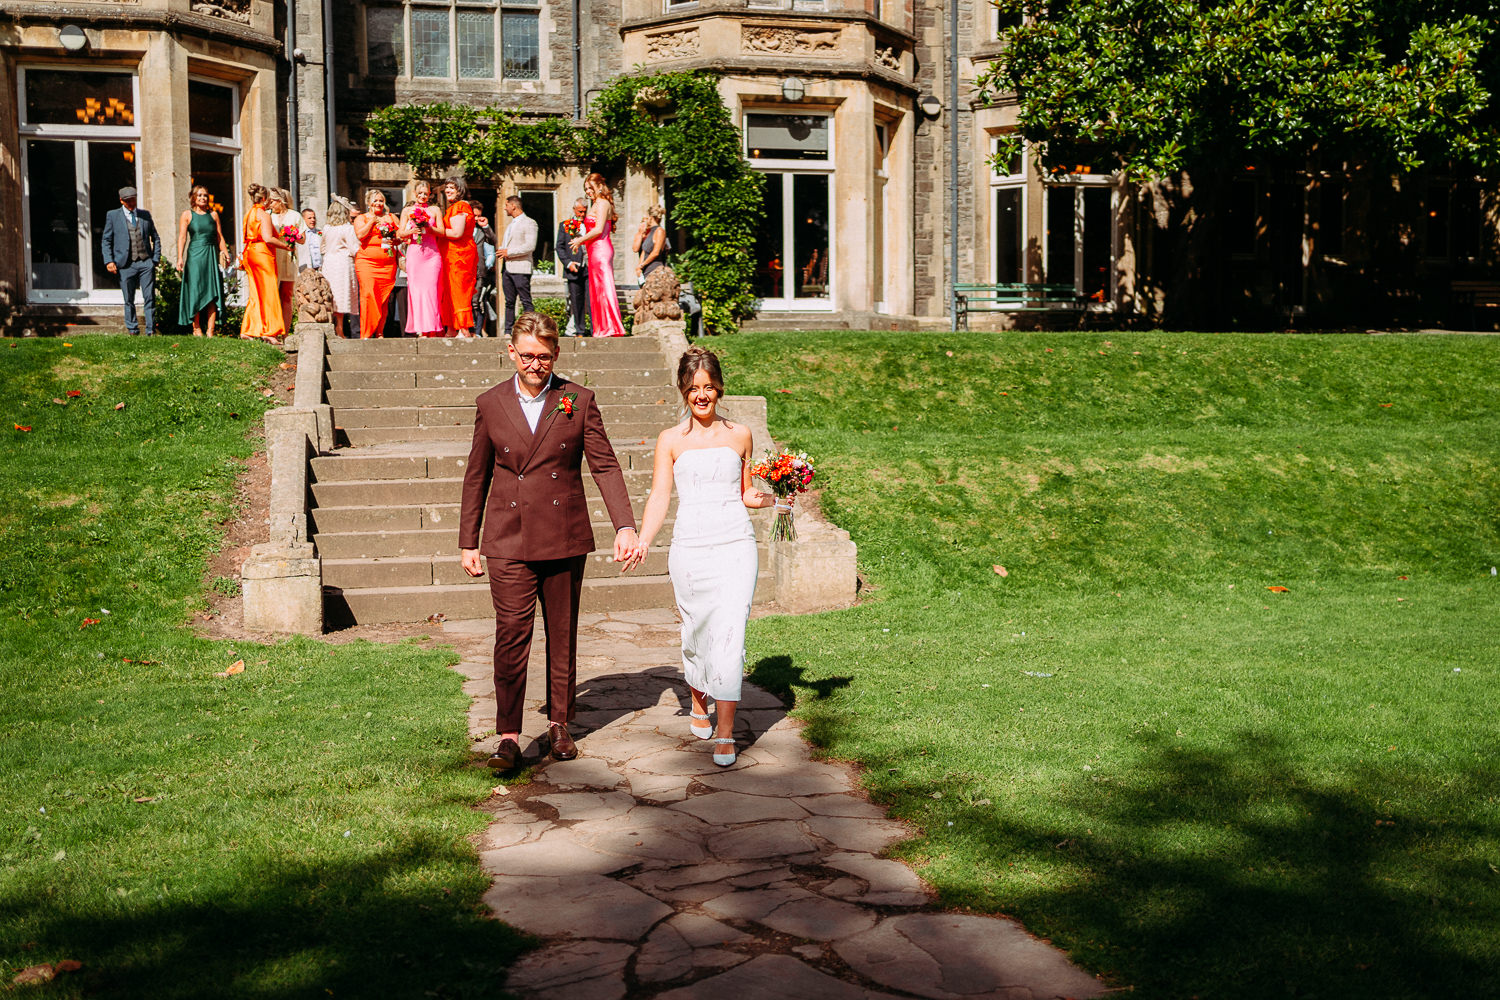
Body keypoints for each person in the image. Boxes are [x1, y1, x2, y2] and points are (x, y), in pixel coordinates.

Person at [459, 312, 640, 769]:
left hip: (563, 537)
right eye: (527, 356)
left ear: (557, 353)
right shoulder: (490, 403)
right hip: (507, 540)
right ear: (511, 352)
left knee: (562, 634)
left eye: (544, 356)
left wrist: (624, 525)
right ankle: (508, 735)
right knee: (511, 636)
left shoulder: (578, 399)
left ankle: (560, 723)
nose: (535, 364)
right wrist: (469, 540)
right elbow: (475, 476)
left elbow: (604, 465)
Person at [623, 348, 782, 766]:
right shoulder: (670, 440)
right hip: (690, 548)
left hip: (735, 546)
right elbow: (660, 496)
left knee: (730, 635)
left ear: (720, 388)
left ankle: (726, 733)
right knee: (696, 633)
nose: (702, 395)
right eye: (694, 389)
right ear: (683, 391)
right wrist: (643, 539)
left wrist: (773, 498)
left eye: (709, 387)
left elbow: (745, 492)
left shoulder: (741, 434)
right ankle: (698, 697)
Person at [567, 173, 626, 337]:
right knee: (596, 290)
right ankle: (601, 328)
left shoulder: (602, 203)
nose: (588, 192)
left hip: (601, 249)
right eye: (586, 189)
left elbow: (599, 229)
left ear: (600, 186)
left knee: (604, 287)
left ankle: (611, 327)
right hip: (593, 250)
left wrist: (580, 240)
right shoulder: (594, 204)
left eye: (590, 188)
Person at [100, 185, 161, 336]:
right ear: (121, 201)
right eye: (128, 201)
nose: (132, 203)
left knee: (149, 297)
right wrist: (109, 261)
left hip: (145, 262)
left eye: (133, 199)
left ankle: (150, 330)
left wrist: (155, 259)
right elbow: (106, 240)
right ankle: (133, 329)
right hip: (125, 264)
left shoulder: (145, 215)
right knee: (129, 299)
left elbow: (156, 238)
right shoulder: (113, 215)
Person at [239, 182, 289, 341]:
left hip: (250, 253)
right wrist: (285, 246)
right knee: (269, 292)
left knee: (255, 293)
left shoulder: (249, 213)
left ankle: (248, 329)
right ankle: (270, 331)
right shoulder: (263, 214)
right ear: (265, 198)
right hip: (262, 254)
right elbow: (268, 238)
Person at [175, 184, 226, 337]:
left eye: (205, 195)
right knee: (195, 291)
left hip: (210, 254)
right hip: (195, 256)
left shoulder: (214, 215)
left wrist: (224, 251)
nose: (203, 198)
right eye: (199, 195)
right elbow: (182, 237)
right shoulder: (187, 215)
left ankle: (211, 330)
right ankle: (196, 328)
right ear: (194, 198)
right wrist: (179, 258)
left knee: (212, 291)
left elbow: (219, 236)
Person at [353, 188, 399, 338]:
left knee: (383, 299)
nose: (378, 203)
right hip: (367, 262)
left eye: (381, 201)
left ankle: (379, 331)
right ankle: (366, 332)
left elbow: (400, 236)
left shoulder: (391, 217)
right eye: (375, 201)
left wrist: (394, 238)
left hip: (387, 264)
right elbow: (360, 235)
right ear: (368, 203)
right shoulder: (362, 218)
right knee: (368, 295)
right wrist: (372, 220)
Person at [440, 176, 478, 337]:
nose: (448, 190)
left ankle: (463, 328)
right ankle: (450, 328)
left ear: (460, 190)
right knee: (449, 291)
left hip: (460, 255)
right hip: (451, 255)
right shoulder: (453, 208)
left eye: (452, 188)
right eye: (447, 187)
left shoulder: (460, 207)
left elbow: (456, 233)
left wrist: (431, 229)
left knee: (459, 290)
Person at [496, 194, 537, 338]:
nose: (505, 208)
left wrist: (509, 252)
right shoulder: (510, 224)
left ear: (513, 205)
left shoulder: (529, 222)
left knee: (525, 300)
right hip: (507, 268)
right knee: (509, 301)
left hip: (520, 267)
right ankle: (508, 331)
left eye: (506, 205)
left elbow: (530, 246)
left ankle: (531, 329)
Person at [320, 198, 359, 337]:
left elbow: (322, 247)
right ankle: (340, 330)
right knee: (341, 297)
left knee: (332, 297)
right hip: (343, 264)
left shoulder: (326, 228)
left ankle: (336, 328)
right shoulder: (348, 228)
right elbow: (355, 249)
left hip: (329, 263)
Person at [268, 188, 303, 325]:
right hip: (273, 257)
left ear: (280, 201)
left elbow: (302, 239)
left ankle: (285, 333)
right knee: (272, 295)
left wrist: (294, 234)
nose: (270, 204)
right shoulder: (268, 215)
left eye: (272, 201)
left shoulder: (294, 216)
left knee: (287, 295)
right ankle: (272, 330)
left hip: (289, 258)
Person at [557, 197, 590, 336]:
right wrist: (568, 263)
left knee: (590, 300)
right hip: (573, 269)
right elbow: (559, 247)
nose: (582, 214)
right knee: (576, 301)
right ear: (574, 210)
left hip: (589, 268)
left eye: (584, 211)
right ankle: (580, 330)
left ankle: (594, 330)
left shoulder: (590, 225)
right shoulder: (565, 225)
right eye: (580, 211)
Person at [473, 205, 497, 337]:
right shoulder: (461, 229)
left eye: (478, 215)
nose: (476, 218)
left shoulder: (481, 231)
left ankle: (477, 332)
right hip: (464, 270)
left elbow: (493, 241)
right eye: (474, 215)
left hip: (480, 272)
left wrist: (486, 226)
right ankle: (469, 330)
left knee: (478, 301)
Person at [632, 204, 670, 282]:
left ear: (651, 217)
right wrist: (639, 267)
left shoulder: (659, 231)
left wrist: (643, 265)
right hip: (646, 271)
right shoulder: (649, 233)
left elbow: (656, 252)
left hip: (655, 270)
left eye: (647, 217)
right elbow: (643, 251)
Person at [298, 206, 324, 271]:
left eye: (314, 218)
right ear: (303, 219)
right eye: (309, 218)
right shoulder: (299, 235)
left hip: (320, 269)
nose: (313, 220)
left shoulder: (320, 232)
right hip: (305, 269)